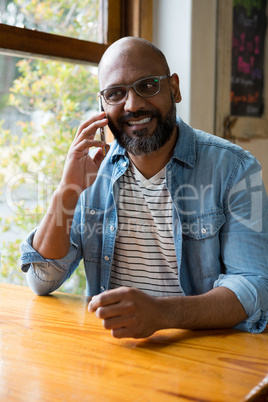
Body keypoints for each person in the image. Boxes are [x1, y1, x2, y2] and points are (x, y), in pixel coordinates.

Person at [21, 36, 268, 339]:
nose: (133, 105)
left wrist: (162, 314)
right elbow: (42, 281)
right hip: (116, 356)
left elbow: (253, 284)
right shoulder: (91, 173)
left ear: (173, 88)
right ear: (102, 105)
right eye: (115, 93)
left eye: (148, 86)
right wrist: (67, 190)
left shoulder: (235, 168)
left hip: (204, 355)